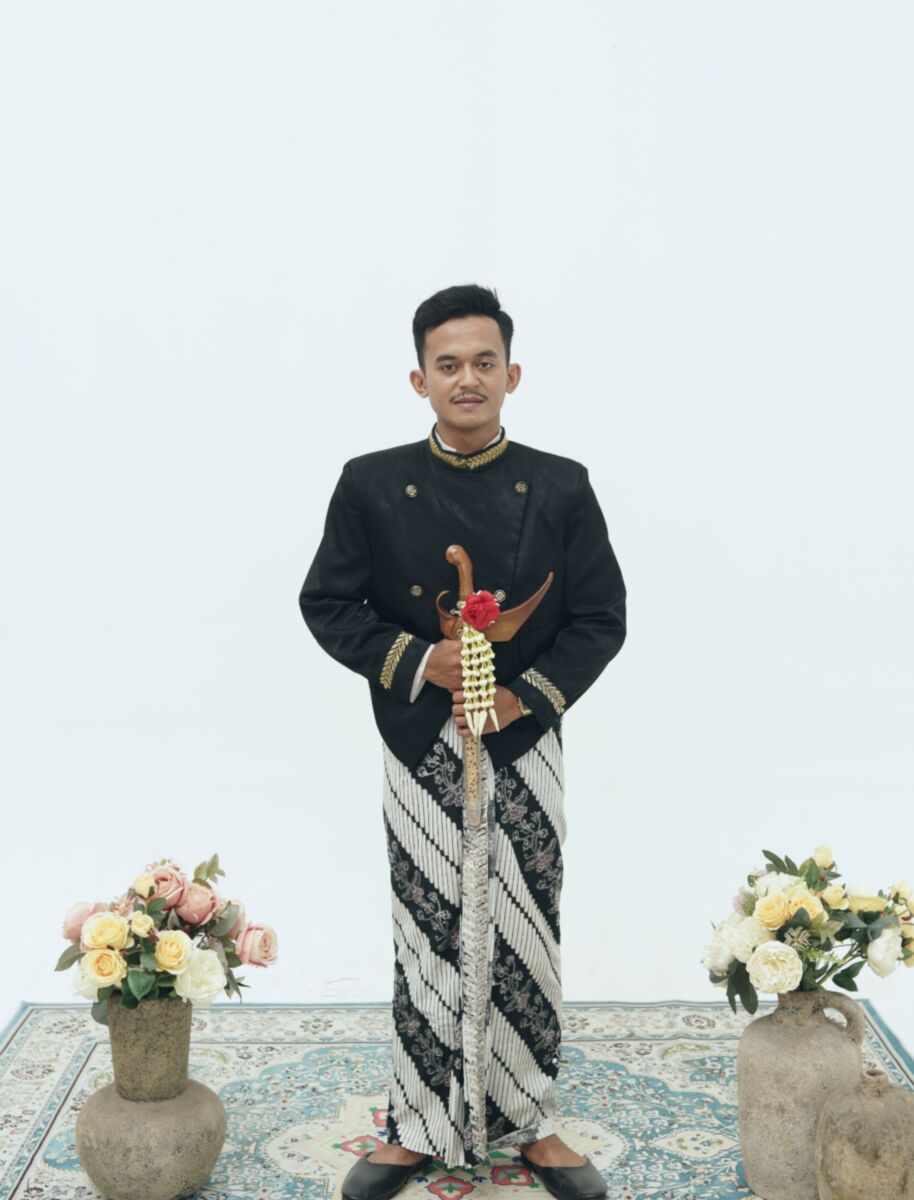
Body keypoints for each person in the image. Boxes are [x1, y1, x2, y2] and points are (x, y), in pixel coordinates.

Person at [299, 284, 626, 1200]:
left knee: (526, 926)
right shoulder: (369, 482)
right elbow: (327, 604)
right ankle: (414, 1126)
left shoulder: (561, 485)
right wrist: (420, 661)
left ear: (512, 374)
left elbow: (600, 618)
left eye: (485, 362)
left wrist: (520, 700)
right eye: (448, 364)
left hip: (522, 743)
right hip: (419, 741)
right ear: (420, 380)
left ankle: (533, 1121)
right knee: (426, 929)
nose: (467, 378)